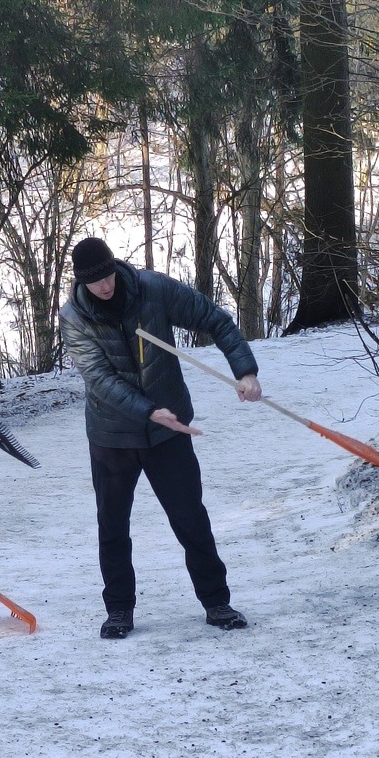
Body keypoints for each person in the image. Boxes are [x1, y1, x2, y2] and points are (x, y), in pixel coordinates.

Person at [59, 237, 262, 639]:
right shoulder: (75, 318)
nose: (104, 285)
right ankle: (119, 610)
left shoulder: (151, 289)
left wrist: (245, 371)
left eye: (107, 274)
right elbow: (99, 379)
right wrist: (148, 410)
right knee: (113, 525)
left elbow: (215, 320)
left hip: (170, 435)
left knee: (190, 518)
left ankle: (216, 602)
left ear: (114, 265)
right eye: (94, 280)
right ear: (82, 282)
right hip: (112, 437)